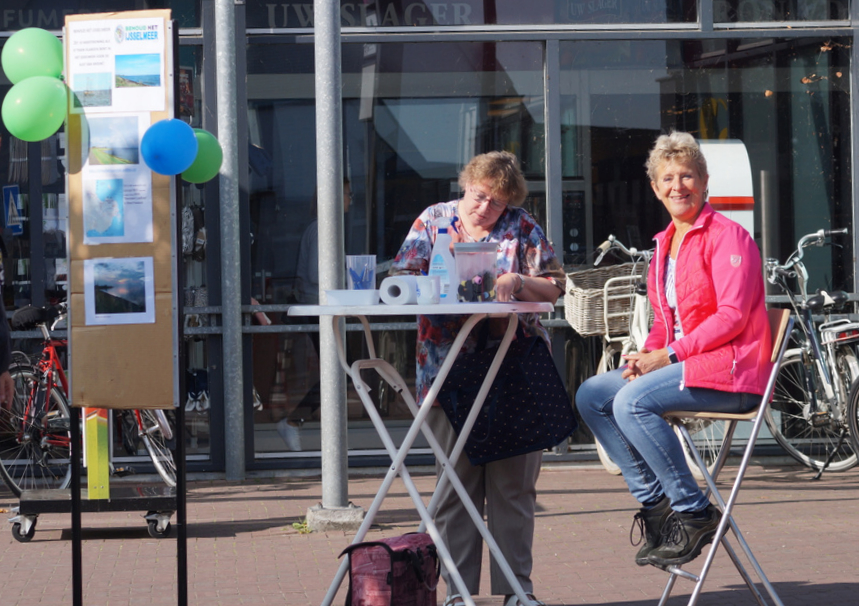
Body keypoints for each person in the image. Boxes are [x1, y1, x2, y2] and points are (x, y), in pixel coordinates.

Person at [575, 131, 773, 569]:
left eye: (687, 176)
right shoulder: (665, 243)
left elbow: (733, 316)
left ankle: (692, 510)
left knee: (631, 402)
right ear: (655, 187)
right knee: (592, 395)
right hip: (687, 365)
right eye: (668, 177)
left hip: (732, 371)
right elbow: (663, 322)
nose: (677, 185)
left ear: (704, 182)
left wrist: (668, 357)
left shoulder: (728, 237)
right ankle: (657, 507)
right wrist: (645, 357)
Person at [390, 151, 565, 606]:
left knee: (512, 487)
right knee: (454, 486)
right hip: (447, 371)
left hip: (513, 370)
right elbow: (401, 279)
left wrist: (517, 281)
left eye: (497, 201)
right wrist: (438, 282)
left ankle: (515, 593)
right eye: (479, 194)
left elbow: (556, 285)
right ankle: (458, 596)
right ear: (465, 185)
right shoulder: (434, 220)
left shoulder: (522, 226)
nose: (484, 207)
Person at [277, 178, 353, 449]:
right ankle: (292, 422)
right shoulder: (323, 229)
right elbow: (316, 275)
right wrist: (348, 279)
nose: (350, 199)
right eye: (346, 194)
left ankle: (297, 422)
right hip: (320, 310)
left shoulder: (321, 228)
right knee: (338, 371)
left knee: (338, 370)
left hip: (321, 308)